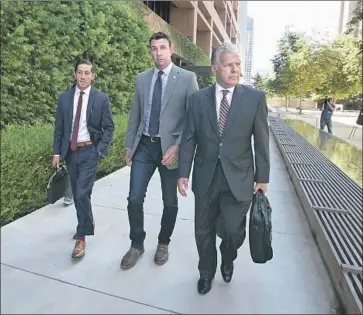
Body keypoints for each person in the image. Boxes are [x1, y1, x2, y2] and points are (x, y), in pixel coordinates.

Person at [177, 42, 270, 295]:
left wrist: (263, 177)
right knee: (203, 229)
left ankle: (228, 257)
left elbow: (262, 141)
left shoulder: (254, 98)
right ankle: (206, 273)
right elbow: (189, 138)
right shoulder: (198, 100)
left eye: (238, 64)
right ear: (215, 68)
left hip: (239, 178)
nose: (235, 69)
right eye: (229, 65)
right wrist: (183, 172)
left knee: (232, 231)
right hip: (206, 176)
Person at [121, 32, 199, 270]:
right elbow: (135, 114)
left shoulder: (187, 78)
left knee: (170, 202)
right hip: (144, 146)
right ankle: (136, 244)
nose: (158, 53)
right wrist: (128, 145)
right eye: (154, 48)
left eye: (162, 48)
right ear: (150, 51)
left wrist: (178, 146)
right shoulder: (142, 79)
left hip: (170, 150)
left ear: (171, 49)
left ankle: (163, 243)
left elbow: (193, 119)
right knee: (134, 198)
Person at [52, 58, 114, 258]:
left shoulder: (101, 98)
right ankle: (89, 220)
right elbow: (59, 129)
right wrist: (57, 153)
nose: (83, 76)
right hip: (71, 152)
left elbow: (109, 127)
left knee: (79, 194)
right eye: (80, 72)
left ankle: (81, 236)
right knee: (83, 194)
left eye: (87, 73)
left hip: (89, 152)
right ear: (75, 74)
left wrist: (100, 150)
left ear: (92, 76)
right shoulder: (64, 98)